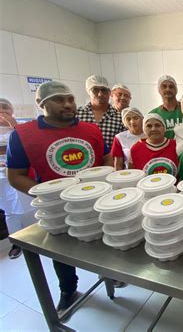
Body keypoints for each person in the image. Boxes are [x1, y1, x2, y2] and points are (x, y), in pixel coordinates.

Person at [6, 81, 112, 313]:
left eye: (70, 99)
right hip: (57, 210)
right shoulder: (23, 135)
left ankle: (110, 277)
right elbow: (15, 176)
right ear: (41, 103)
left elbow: (106, 158)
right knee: (62, 252)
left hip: (95, 203)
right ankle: (68, 290)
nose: (67, 104)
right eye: (58, 99)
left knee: (106, 243)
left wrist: (102, 185)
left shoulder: (91, 130)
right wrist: (49, 196)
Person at [0, 98, 35, 259]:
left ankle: (35, 239)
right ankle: (17, 242)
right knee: (10, 211)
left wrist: (12, 122)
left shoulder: (21, 126)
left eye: (5, 111)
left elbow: (29, 141)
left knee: (30, 206)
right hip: (2, 176)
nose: (3, 115)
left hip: (22, 173)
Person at [77, 75, 125, 148]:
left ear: (109, 92)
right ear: (88, 91)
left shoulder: (119, 117)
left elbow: (123, 146)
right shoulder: (77, 114)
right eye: (95, 90)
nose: (100, 94)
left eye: (104, 90)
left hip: (111, 159)